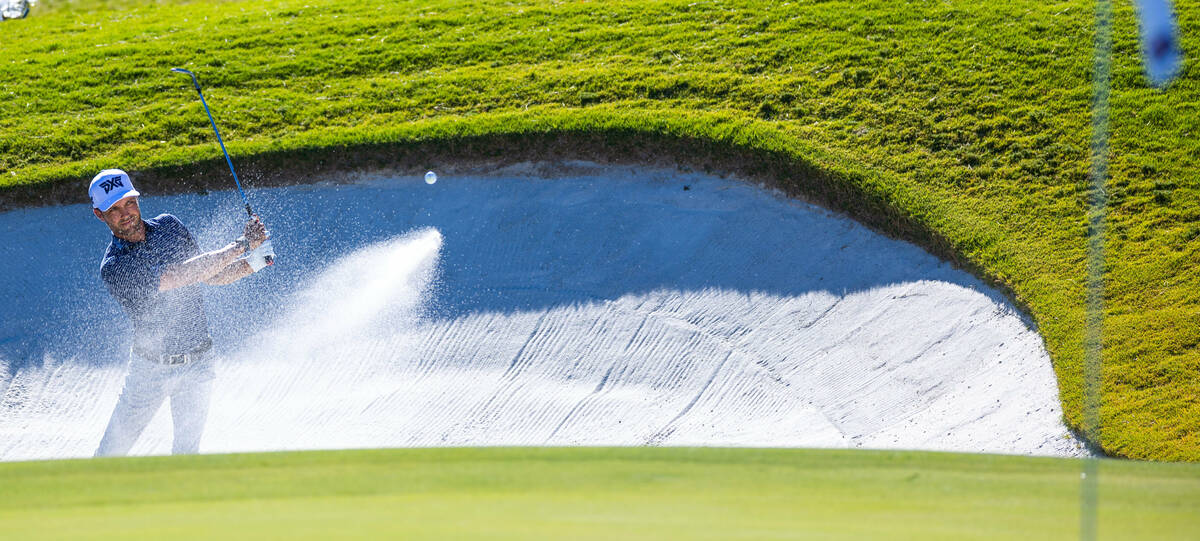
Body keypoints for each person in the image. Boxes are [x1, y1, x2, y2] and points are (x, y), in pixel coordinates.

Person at [89, 168, 274, 456]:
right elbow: (179, 276)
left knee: (187, 454)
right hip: (150, 371)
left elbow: (210, 275)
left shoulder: (169, 226)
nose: (125, 213)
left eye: (129, 202)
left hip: (199, 362)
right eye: (114, 209)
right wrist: (241, 245)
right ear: (99, 215)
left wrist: (257, 261)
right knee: (110, 453)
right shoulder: (115, 266)